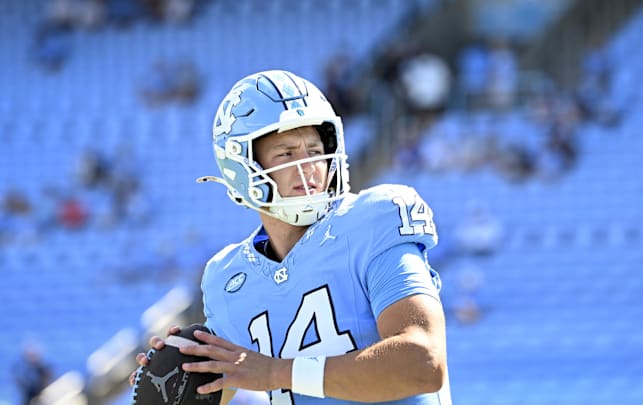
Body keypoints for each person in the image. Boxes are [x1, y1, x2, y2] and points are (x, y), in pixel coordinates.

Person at [130, 70, 452, 404]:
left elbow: (423, 362)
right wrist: (176, 374)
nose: (309, 166)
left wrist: (277, 373)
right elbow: (227, 379)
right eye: (286, 154)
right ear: (242, 167)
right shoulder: (227, 278)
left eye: (314, 150)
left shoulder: (373, 220)